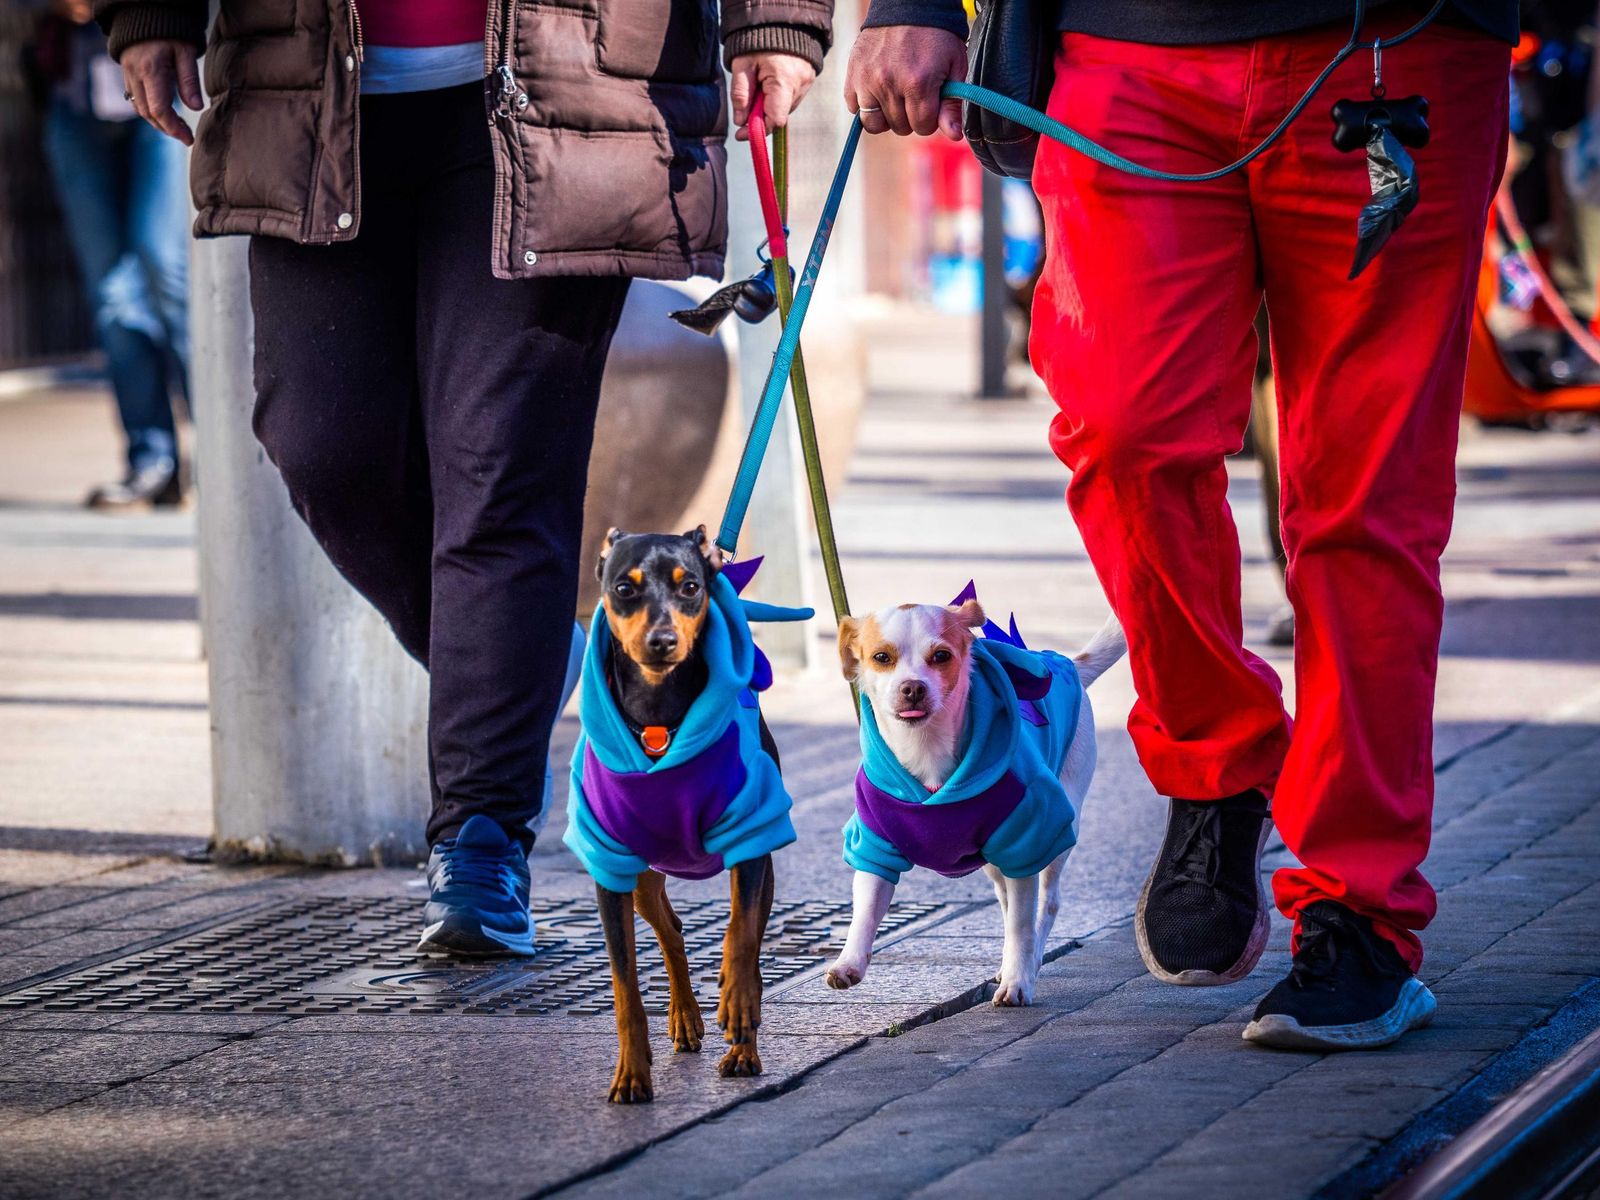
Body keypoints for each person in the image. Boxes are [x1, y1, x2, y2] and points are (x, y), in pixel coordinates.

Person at [96, 0, 832, 956]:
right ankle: (525, 663)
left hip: (570, 83)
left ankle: (480, 843)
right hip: (311, 77)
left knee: (503, 472)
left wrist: (776, 20)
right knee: (320, 438)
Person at [846, 0, 1515, 1050]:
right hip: (1132, 43)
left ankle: (1359, 908)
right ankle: (1215, 761)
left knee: (1365, 501)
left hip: (1398, 44)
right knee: (1122, 433)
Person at [28, 0, 188, 509]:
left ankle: (224, 445)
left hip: (162, 89)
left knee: (165, 264)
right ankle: (152, 460)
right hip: (76, 104)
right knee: (114, 294)